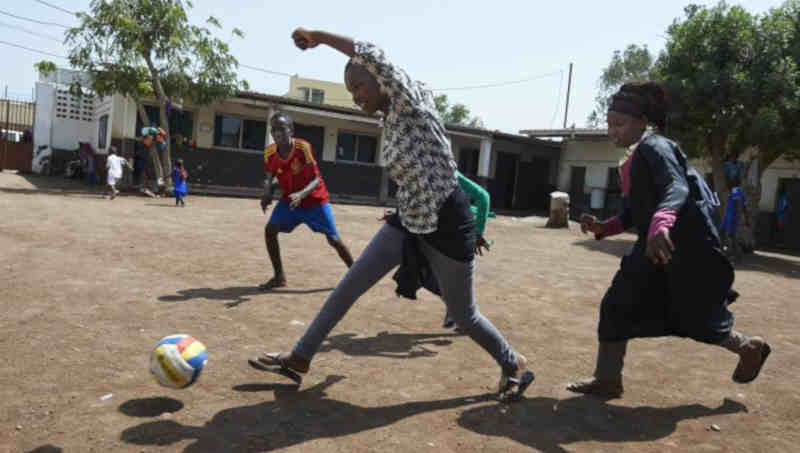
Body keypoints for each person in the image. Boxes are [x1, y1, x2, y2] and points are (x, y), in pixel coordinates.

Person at [248, 29, 534, 401]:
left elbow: (368, 51)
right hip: (410, 219)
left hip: (447, 222)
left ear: (381, 78)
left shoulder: (407, 99)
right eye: (351, 92)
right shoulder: (390, 118)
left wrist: (318, 36)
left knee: (464, 315)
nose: (357, 97)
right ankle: (300, 356)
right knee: (351, 283)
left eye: (360, 87)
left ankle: (513, 364)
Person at [567, 82, 770, 399]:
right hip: (652, 249)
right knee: (616, 307)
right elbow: (634, 213)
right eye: (609, 124)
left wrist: (662, 223)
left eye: (618, 124)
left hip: (683, 249)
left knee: (697, 319)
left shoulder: (656, 147)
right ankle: (608, 380)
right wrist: (604, 228)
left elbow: (677, 189)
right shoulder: (636, 157)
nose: (612, 132)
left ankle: (749, 348)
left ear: (641, 122)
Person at [258, 111, 355, 290]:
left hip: (314, 200)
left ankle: (356, 276)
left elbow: (317, 179)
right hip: (290, 200)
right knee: (270, 230)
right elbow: (271, 177)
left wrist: (301, 194)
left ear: (291, 130)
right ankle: (279, 277)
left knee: (333, 239)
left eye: (282, 129)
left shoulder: (303, 148)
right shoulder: (269, 152)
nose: (278, 133)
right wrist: (267, 194)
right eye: (274, 130)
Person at [719, 178, 750, 262]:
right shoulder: (741, 192)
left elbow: (738, 203)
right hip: (729, 216)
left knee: (729, 235)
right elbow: (745, 207)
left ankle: (731, 254)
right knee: (726, 234)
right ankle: (732, 254)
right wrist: (746, 219)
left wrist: (737, 214)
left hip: (731, 216)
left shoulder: (735, 190)